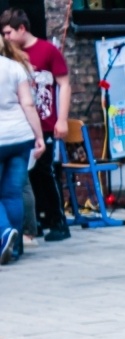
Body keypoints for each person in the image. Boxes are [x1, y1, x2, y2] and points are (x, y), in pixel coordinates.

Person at [1, 8, 71, 241]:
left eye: (9, 32)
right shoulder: (10, 57)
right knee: (22, 180)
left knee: (45, 172)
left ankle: (58, 222)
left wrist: (61, 119)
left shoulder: (47, 50)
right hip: (22, 127)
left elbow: (64, 85)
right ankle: (34, 223)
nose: (6, 37)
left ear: (22, 28)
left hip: (46, 121)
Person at [0, 35, 45, 265]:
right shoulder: (15, 66)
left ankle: (4, 233)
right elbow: (28, 104)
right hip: (20, 137)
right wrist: (39, 136)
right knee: (11, 193)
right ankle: (14, 250)